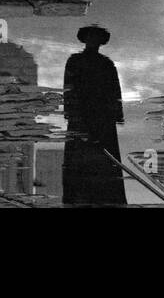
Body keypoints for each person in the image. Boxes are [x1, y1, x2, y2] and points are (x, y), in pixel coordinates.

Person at [61, 25, 128, 206]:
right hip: (82, 114)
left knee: (103, 157)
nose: (94, 41)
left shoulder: (107, 64)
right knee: (80, 156)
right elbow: (69, 87)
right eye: (91, 37)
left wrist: (116, 112)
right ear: (85, 39)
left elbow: (115, 90)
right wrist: (71, 111)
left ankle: (106, 197)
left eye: (97, 37)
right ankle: (79, 198)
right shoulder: (75, 61)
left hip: (102, 117)